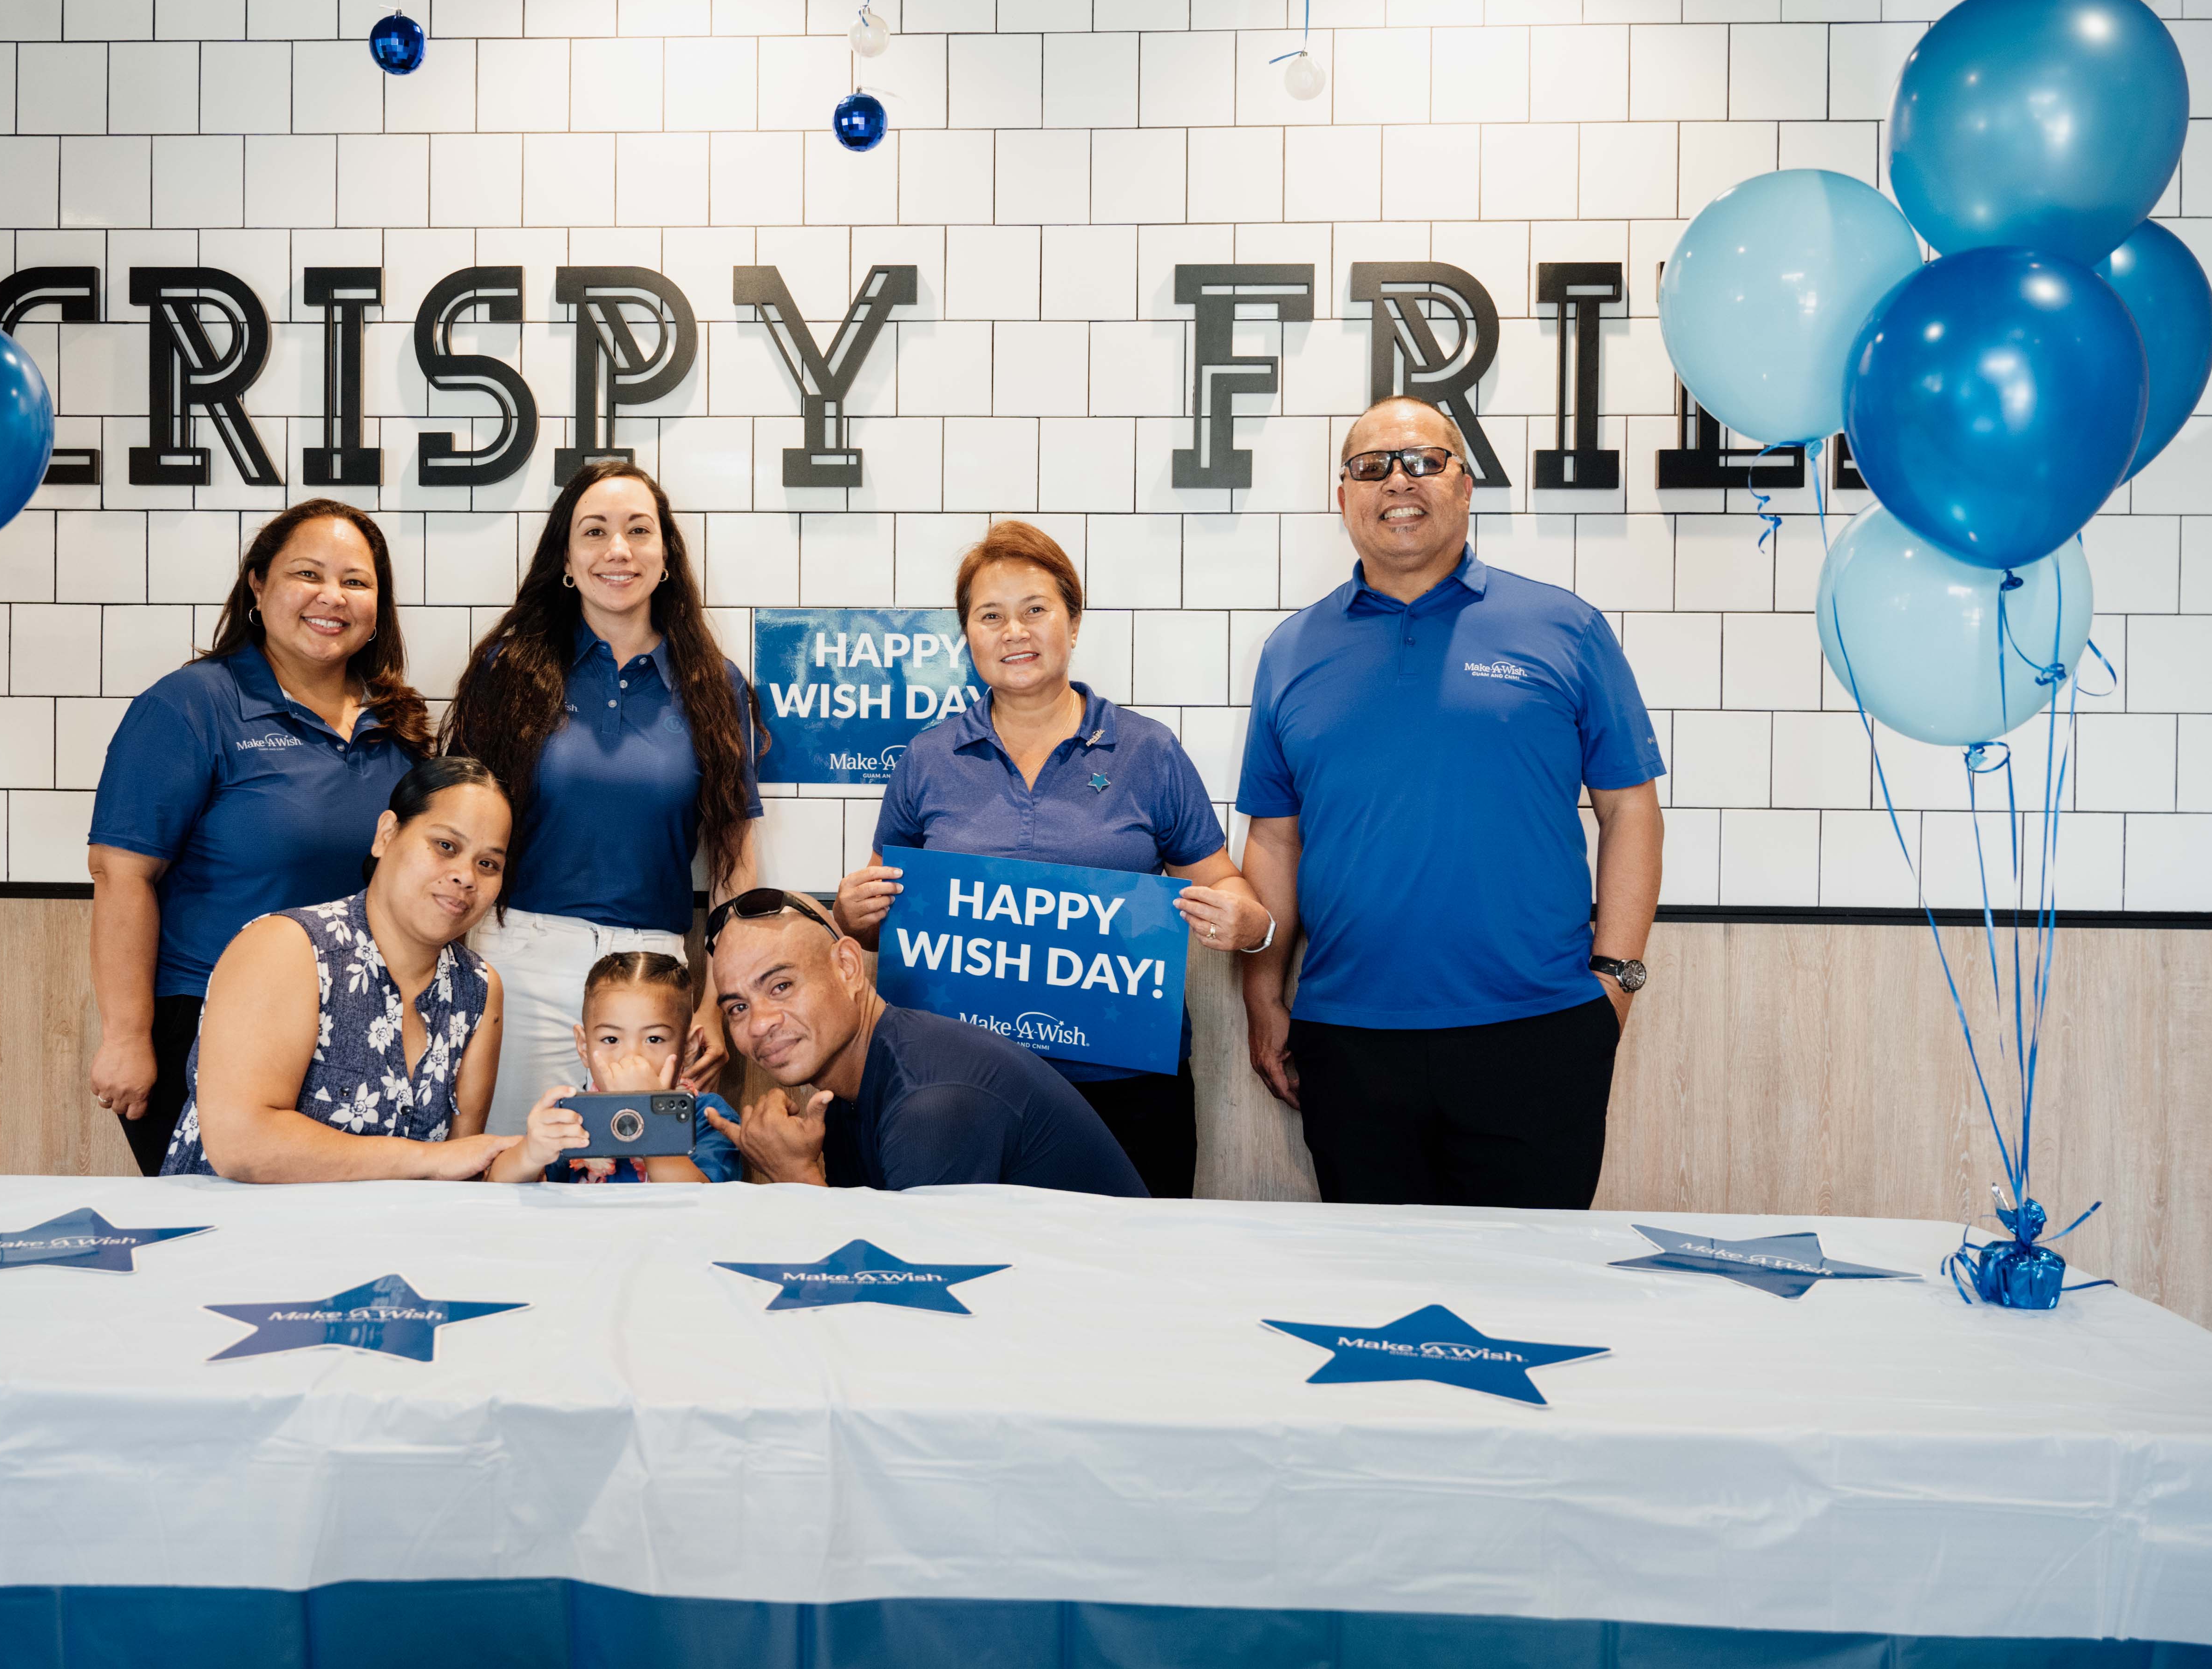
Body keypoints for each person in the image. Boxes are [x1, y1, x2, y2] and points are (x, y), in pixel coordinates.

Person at [1237, 395, 1666, 1211]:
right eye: (1370, 466)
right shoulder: (1290, 651)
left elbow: (1630, 811)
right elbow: (1275, 839)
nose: (1397, 479)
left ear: (1465, 485)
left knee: (1532, 1303)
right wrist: (1263, 996)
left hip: (1537, 1032)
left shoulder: (1563, 627)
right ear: (1343, 497)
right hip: (1347, 1036)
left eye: (1423, 460)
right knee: (1371, 1305)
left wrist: (1613, 980)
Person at [830, 522, 1269, 1197]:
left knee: (1133, 1280)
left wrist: (1245, 922)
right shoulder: (926, 757)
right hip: (958, 1085)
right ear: (967, 634)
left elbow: (1226, 884)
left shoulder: (1148, 752)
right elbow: (879, 914)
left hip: (1126, 1085)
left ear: (1073, 620)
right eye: (991, 615)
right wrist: (852, 913)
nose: (1016, 631)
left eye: (1036, 609)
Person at [86, 501, 432, 1174]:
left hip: (355, 1028)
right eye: (308, 573)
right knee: (222, 1251)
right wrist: (127, 1037)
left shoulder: (400, 726)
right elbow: (120, 874)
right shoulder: (190, 706)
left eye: (357, 582)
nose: (332, 597)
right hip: (209, 1025)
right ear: (257, 585)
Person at [439, 459, 762, 1128]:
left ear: (666, 555)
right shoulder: (510, 669)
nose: (618, 550)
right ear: (566, 556)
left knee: (642, 1186)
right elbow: (456, 834)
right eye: (594, 531)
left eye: (638, 530)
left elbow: (734, 860)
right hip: (519, 963)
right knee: (514, 1175)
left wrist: (717, 1000)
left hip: (654, 975)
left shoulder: (713, 682)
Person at [162, 755, 520, 1182]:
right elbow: (242, 1145)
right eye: (446, 846)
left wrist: (537, 1153)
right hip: (236, 1234)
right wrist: (426, 1160)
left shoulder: (478, 988)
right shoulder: (286, 947)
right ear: (387, 834)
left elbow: (461, 1170)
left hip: (382, 1241)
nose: (466, 876)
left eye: (488, 864)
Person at [702, 889, 1147, 1197]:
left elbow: (909, 1303)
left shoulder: (931, 1102)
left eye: (780, 986)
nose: (759, 1025)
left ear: (848, 968)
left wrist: (793, 1175)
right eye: (737, 1008)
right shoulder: (847, 1081)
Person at [484, 952, 743, 1186]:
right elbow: (498, 1184)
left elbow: (704, 1202)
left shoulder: (709, 1116)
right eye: (611, 1040)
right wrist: (531, 1152)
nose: (631, 1057)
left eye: (654, 1039)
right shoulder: (575, 1116)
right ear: (584, 1047)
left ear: (689, 1047)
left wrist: (649, 1115)